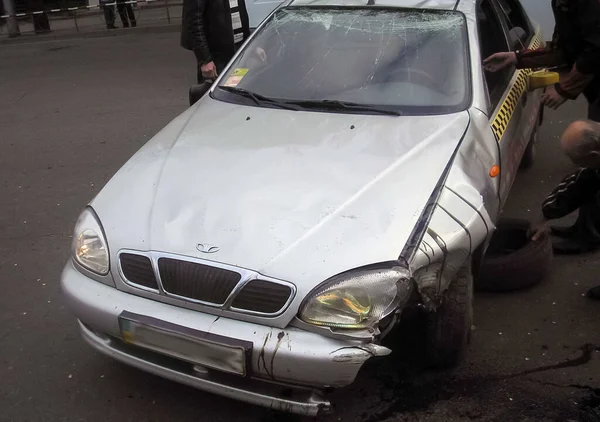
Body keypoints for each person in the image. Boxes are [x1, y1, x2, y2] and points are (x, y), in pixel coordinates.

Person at [483, 0, 600, 122]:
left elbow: (595, 51)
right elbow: (560, 50)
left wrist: (564, 90)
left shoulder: (591, 4)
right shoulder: (560, 3)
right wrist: (516, 57)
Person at [532, 120, 600, 298]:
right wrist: (545, 214)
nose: (576, 164)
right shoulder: (595, 162)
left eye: (577, 160)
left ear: (594, 154)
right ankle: (584, 234)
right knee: (591, 185)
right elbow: (579, 183)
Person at [180, 0, 251, 84]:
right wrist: (205, 59)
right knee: (220, 94)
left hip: (239, 52)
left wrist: (251, 44)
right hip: (217, 58)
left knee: (237, 92)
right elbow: (193, 23)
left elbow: (241, 12)